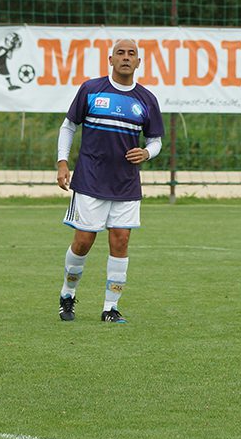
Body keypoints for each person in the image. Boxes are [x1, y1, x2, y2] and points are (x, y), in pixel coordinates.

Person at [55, 39, 164, 323]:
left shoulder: (146, 100)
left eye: (131, 54)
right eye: (120, 53)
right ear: (110, 59)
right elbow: (69, 126)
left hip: (126, 184)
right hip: (90, 180)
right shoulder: (91, 90)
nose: (126, 58)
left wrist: (147, 153)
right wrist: (63, 162)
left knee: (121, 241)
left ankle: (110, 308)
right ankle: (67, 295)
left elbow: (156, 141)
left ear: (138, 62)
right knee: (83, 241)